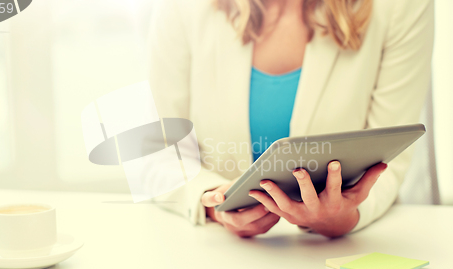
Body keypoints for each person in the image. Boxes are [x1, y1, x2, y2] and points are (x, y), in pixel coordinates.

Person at [147, 0, 433, 237]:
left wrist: (343, 218)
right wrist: (212, 202)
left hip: (345, 251)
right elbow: (159, 155)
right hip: (217, 249)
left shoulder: (402, 7)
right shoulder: (180, 8)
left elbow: (390, 158)